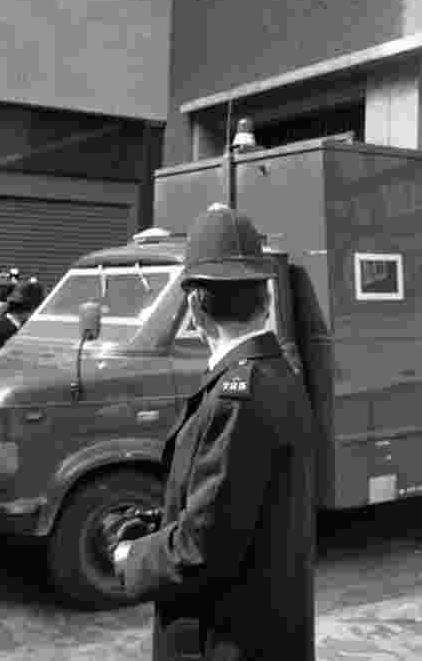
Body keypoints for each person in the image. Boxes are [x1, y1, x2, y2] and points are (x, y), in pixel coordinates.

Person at [112, 203, 316, 661]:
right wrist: (158, 526)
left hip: (225, 642)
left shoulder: (236, 399)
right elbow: (234, 509)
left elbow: (204, 549)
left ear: (195, 307)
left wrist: (132, 558)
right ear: (265, 300)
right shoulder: (277, 375)